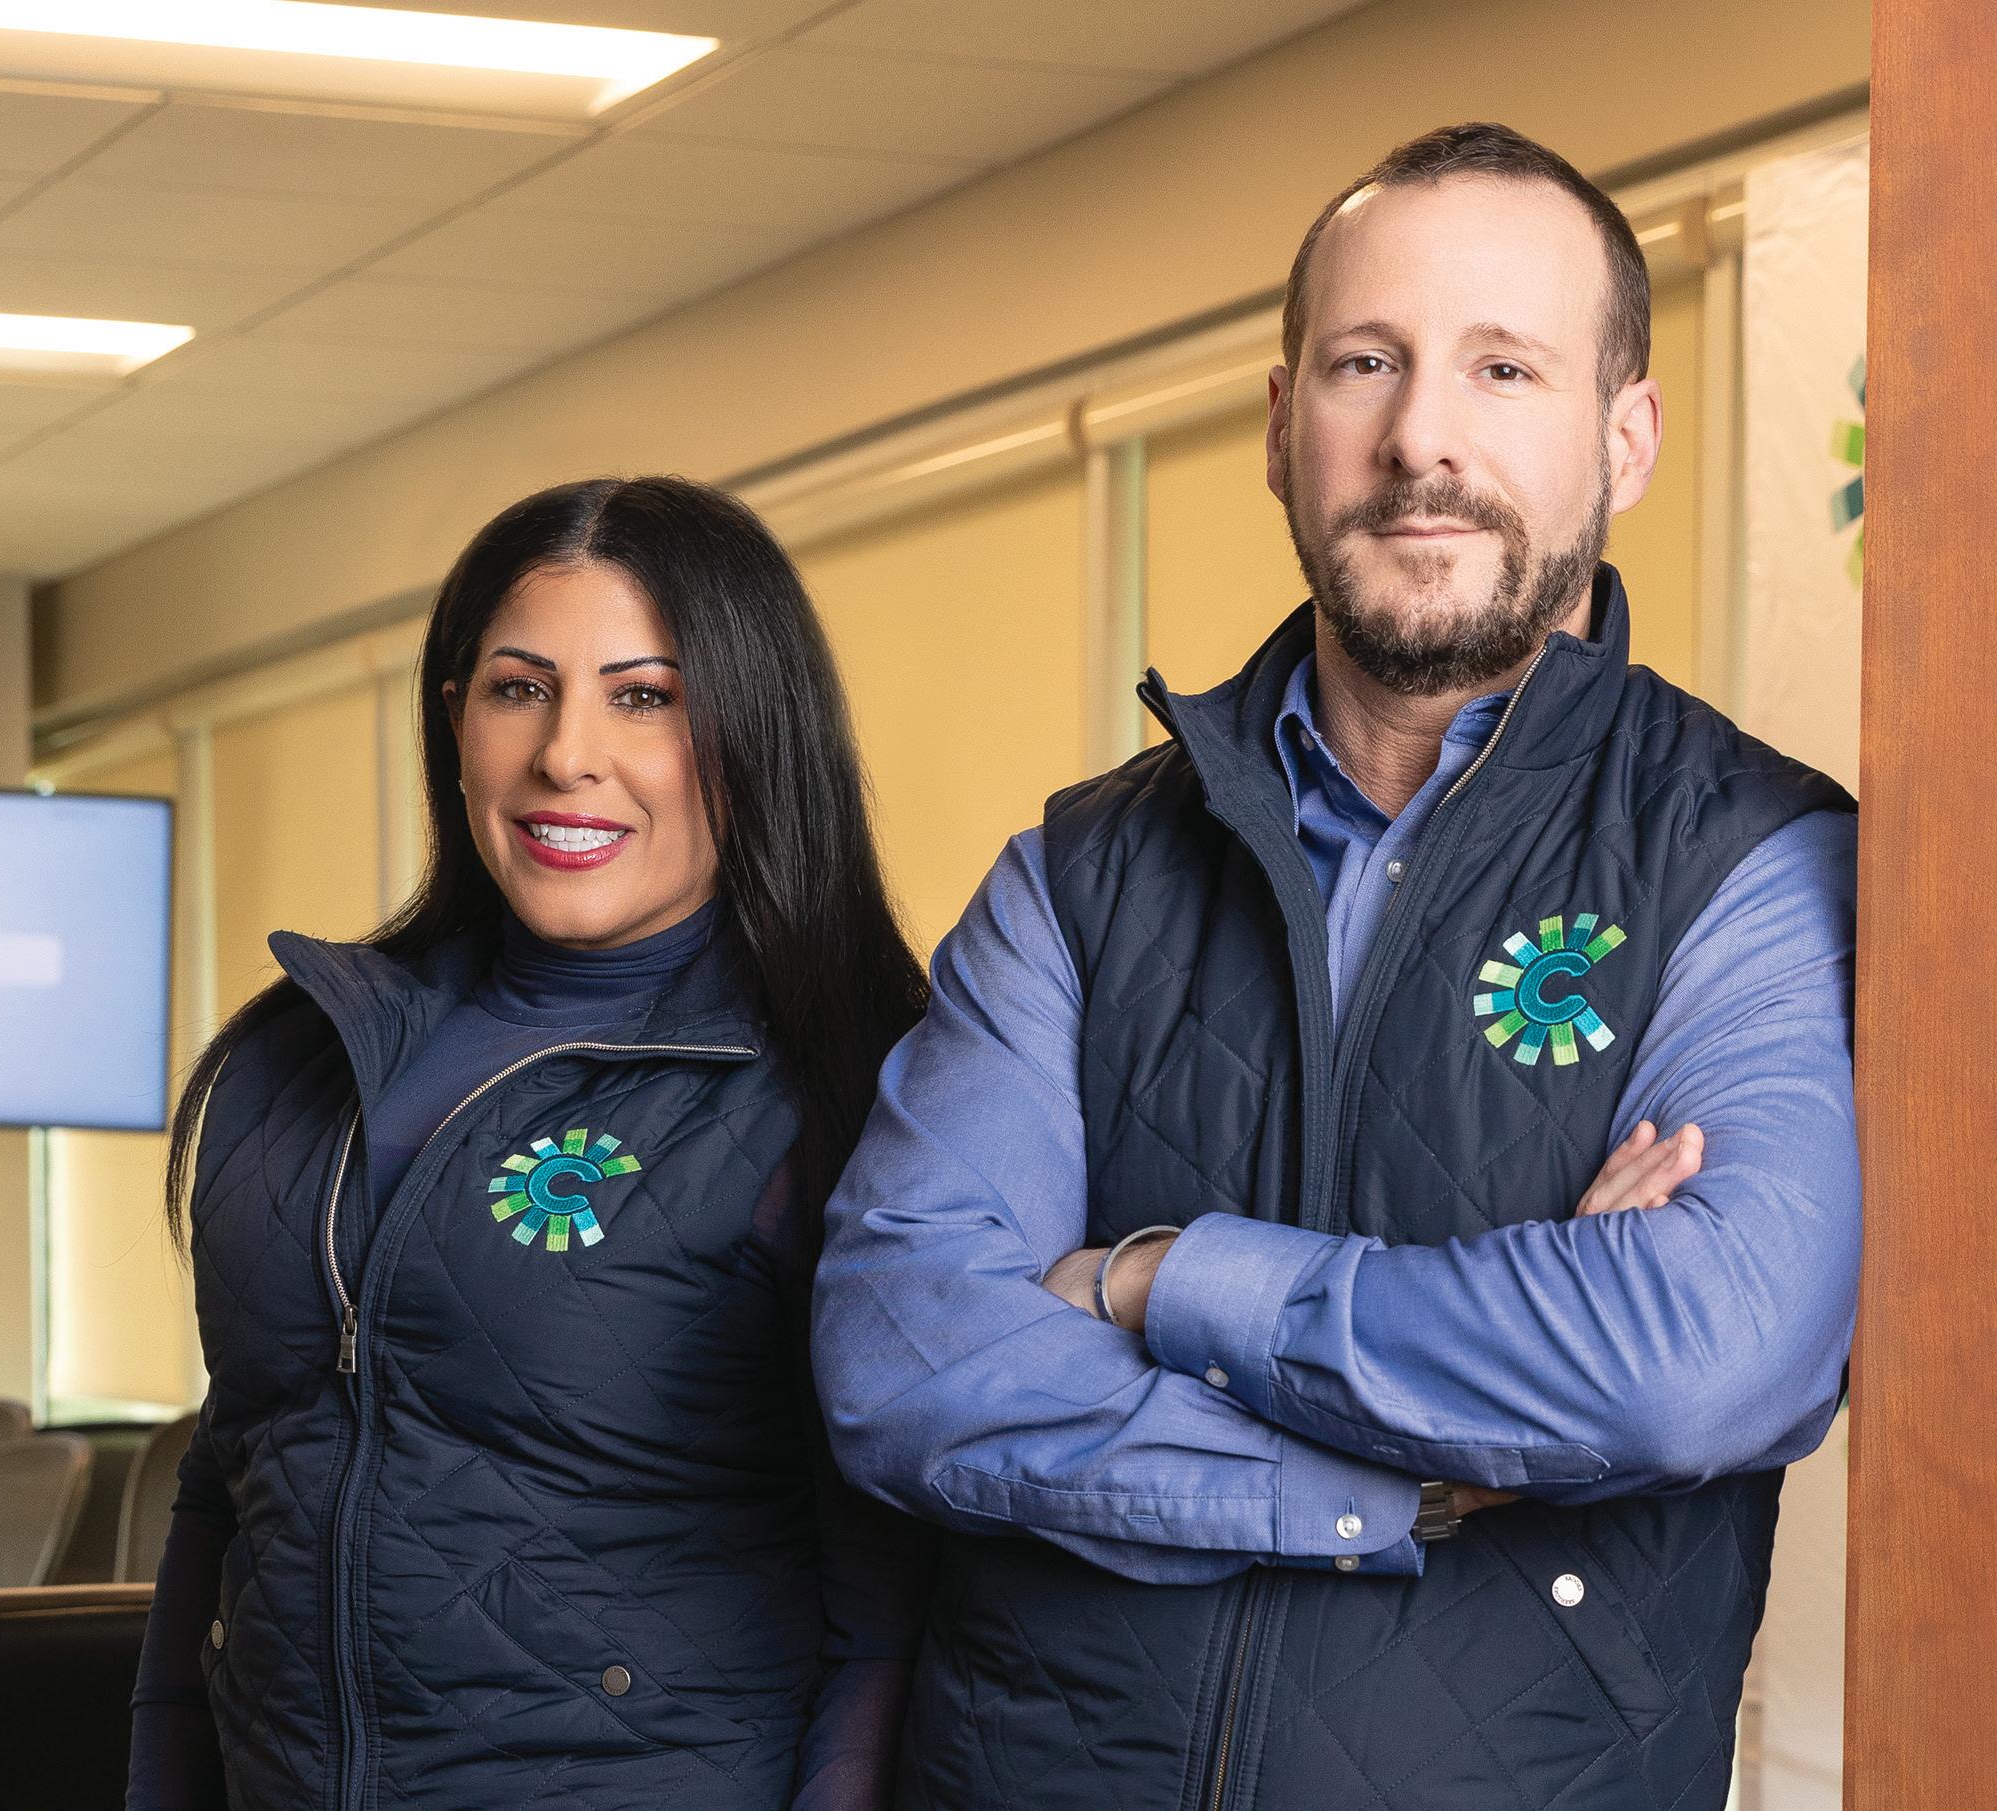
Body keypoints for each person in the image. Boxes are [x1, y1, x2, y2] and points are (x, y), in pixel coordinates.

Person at [812, 122, 1859, 1811]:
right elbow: (901, 1361)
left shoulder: (1749, 857)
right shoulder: (1074, 878)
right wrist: (1401, 1486)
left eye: (1502, 369)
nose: (1419, 436)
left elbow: (1692, 1360)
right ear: (1278, 422)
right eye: (1364, 362)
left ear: (1625, 436)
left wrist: (1156, 1283)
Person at [131, 476, 932, 1811]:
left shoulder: (841, 1095)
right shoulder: (301, 1055)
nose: (567, 754)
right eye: (518, 689)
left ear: (752, 733)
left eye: (645, 698)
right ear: (455, 720)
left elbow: (889, 1612)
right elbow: (226, 1498)